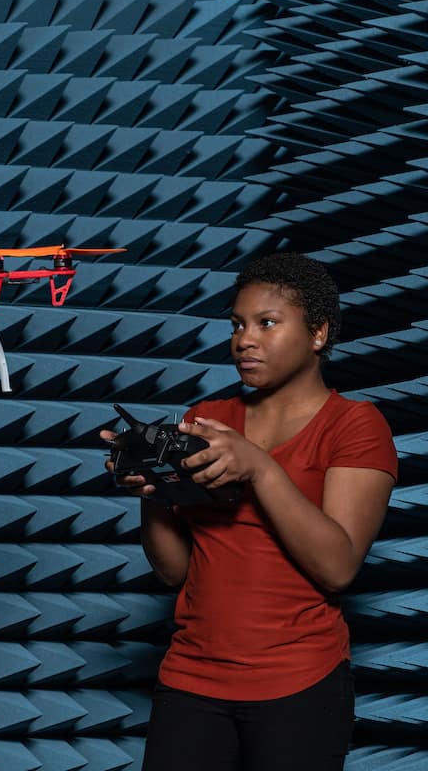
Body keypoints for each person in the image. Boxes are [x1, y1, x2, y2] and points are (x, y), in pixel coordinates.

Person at [102, 253, 397, 771]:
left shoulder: (354, 425)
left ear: (318, 333)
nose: (244, 340)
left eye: (267, 323)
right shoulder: (208, 421)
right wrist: (156, 491)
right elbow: (174, 571)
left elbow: (338, 565)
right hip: (191, 678)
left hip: (299, 683)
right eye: (237, 324)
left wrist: (260, 469)